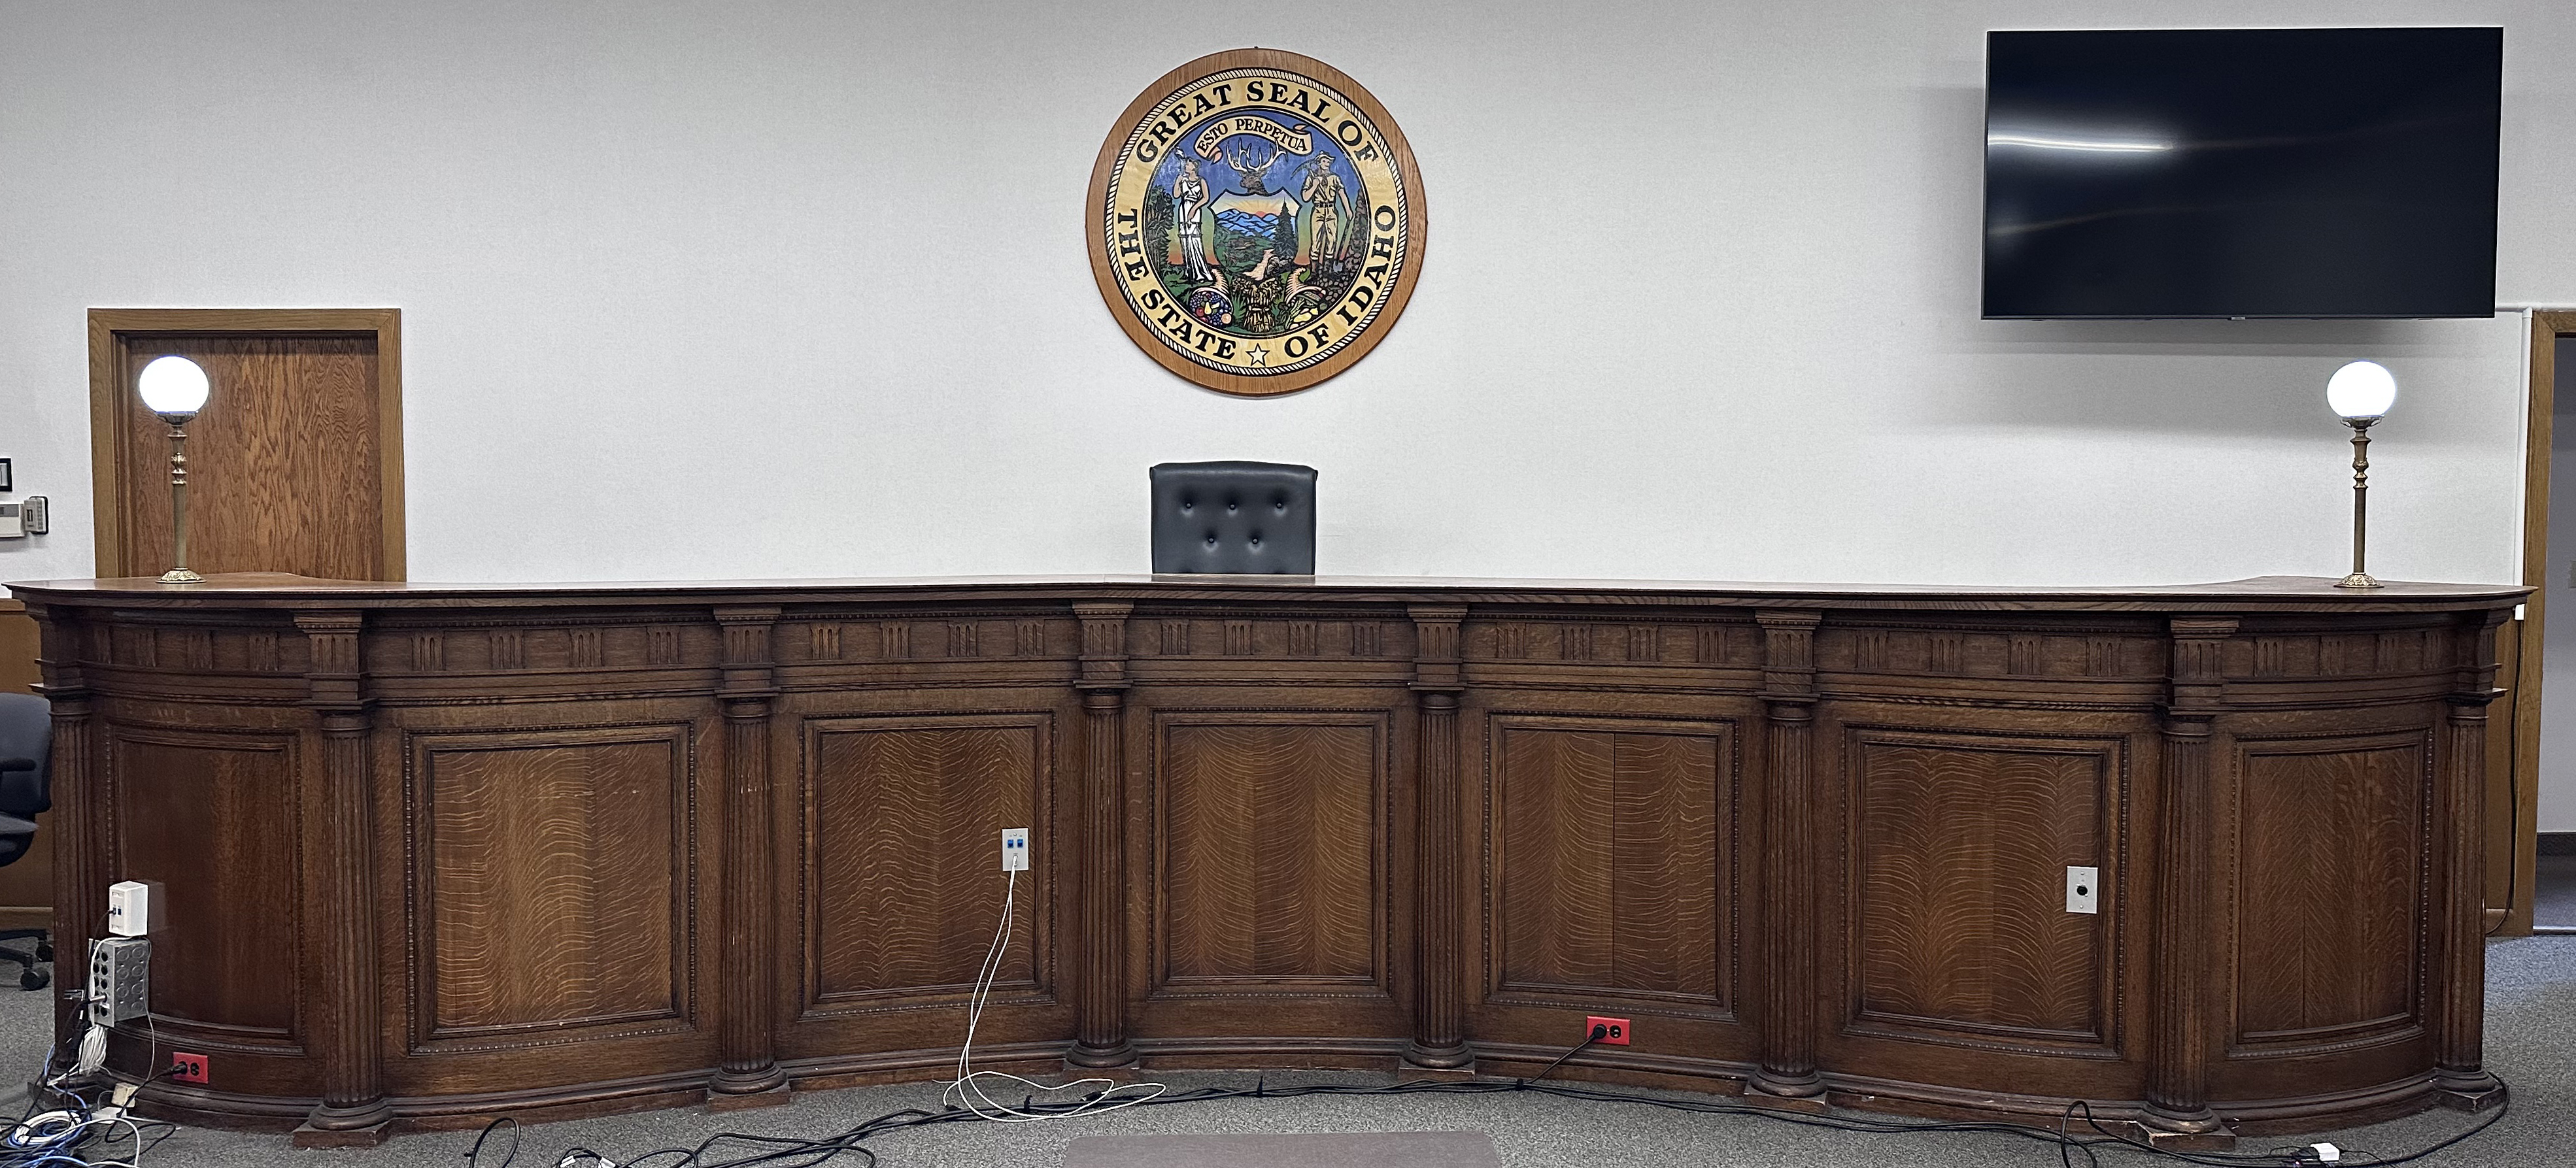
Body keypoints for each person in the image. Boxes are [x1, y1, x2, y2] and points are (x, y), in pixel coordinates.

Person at [1299, 159, 1347, 275]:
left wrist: (1348, 210)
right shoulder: (1312, 178)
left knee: (1332, 241)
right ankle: (1314, 272)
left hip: (1331, 211)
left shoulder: (1335, 178)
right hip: (1318, 211)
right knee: (1316, 242)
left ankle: (1328, 271)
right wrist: (1315, 184)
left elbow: (1342, 194)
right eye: (1325, 161)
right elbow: (1305, 197)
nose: (1328, 164)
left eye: (1329, 162)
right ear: (1319, 163)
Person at [1172, 159, 1212, 284]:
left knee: (1195, 240)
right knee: (1185, 240)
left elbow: (1206, 198)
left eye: (1188, 165)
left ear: (1194, 167)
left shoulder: (1201, 181)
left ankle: (1200, 272)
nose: (1186, 166)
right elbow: (1176, 195)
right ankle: (1189, 271)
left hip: (1194, 210)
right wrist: (1177, 182)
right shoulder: (1183, 180)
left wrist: (1194, 209)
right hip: (1183, 210)